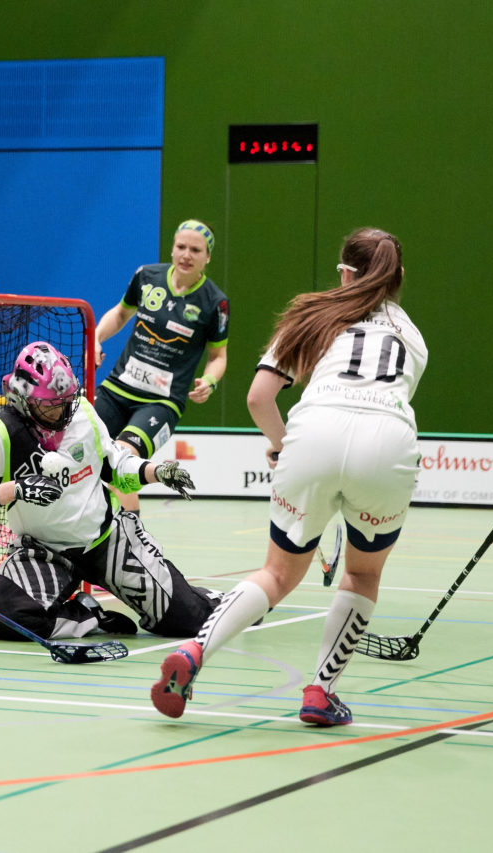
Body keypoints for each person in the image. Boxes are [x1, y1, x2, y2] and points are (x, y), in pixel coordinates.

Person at [151, 227, 428, 726]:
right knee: (363, 572)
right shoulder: (413, 336)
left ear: (343, 272)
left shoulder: (312, 313)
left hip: (313, 431)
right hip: (388, 441)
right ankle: (321, 692)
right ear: (398, 277)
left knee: (278, 572)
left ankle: (194, 652)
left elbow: (259, 398)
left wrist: (282, 448)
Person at [0, 341, 221, 642]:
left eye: (66, 399)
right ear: (25, 399)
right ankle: (88, 615)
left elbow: (115, 467)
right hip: (44, 551)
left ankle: (227, 601)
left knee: (188, 620)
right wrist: (15, 489)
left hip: (107, 541)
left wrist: (156, 472)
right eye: (51, 405)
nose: (63, 410)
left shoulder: (83, 412)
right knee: (3, 615)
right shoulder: (0, 435)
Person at [93, 220, 229, 514]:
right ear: (172, 247)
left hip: (161, 402)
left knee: (122, 459)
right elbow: (119, 314)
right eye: (181, 246)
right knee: (78, 446)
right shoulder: (146, 276)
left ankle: (133, 538)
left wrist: (209, 380)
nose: (186, 255)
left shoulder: (215, 303)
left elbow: (218, 357)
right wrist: (96, 338)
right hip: (117, 388)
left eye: (195, 249)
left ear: (207, 257)